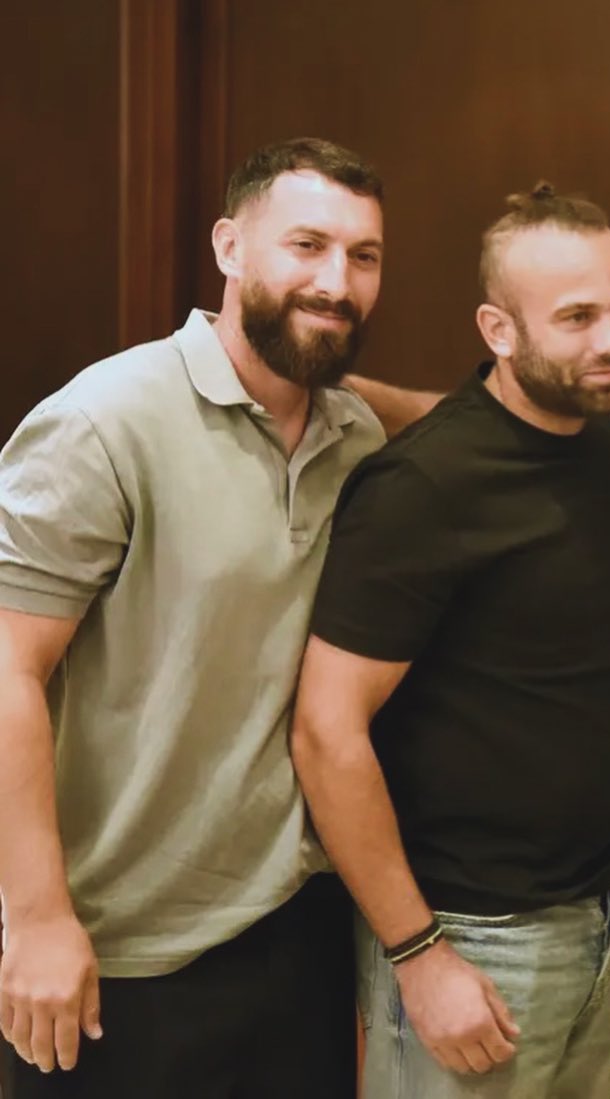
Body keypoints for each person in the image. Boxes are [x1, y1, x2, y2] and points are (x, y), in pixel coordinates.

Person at [0, 137, 388, 1098]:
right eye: (306, 245)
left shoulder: (356, 438)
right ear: (228, 247)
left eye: (363, 255)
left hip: (293, 929)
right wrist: (36, 916)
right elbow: (7, 669)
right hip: (111, 947)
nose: (336, 281)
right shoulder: (105, 421)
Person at [290, 184, 610, 1099]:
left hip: (603, 912)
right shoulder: (422, 487)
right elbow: (326, 732)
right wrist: (419, 952)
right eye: (577, 317)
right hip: (472, 935)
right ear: (499, 330)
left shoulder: (603, 448)